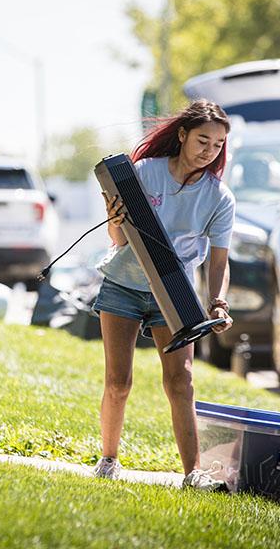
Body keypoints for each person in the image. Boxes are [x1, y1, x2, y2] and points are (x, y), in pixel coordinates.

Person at [91, 99, 235, 490]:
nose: (209, 150)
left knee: (180, 382)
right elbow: (120, 240)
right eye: (203, 140)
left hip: (173, 294)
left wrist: (218, 301)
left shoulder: (219, 198)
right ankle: (108, 460)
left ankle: (193, 473)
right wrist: (114, 218)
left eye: (218, 145)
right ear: (183, 135)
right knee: (118, 381)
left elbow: (218, 262)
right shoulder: (146, 172)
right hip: (123, 283)